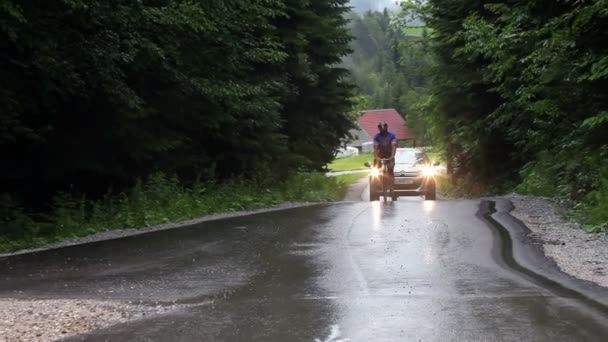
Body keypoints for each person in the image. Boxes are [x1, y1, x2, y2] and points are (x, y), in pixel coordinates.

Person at [373, 121, 397, 196]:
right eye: (380, 127)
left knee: (390, 170)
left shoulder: (392, 135)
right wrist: (376, 157)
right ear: (379, 128)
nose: (382, 129)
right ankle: (377, 182)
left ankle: (392, 187)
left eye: (384, 127)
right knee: (376, 169)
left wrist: (392, 156)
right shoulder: (377, 136)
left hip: (389, 155)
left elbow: (394, 147)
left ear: (387, 127)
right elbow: (375, 148)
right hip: (380, 155)